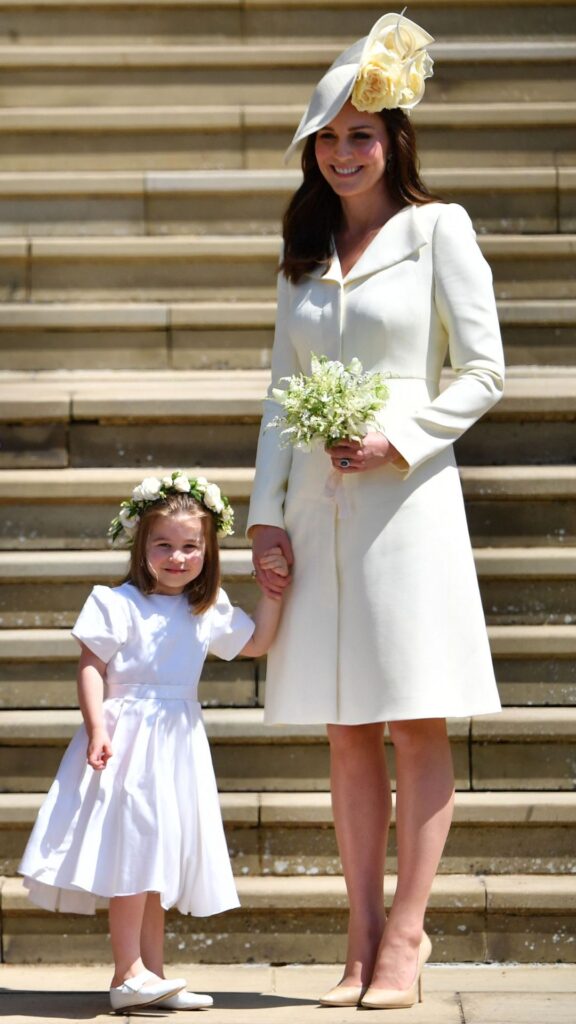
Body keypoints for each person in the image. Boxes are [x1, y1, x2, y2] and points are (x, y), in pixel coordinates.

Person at [248, 12, 505, 1011]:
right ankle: (357, 936)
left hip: (409, 510)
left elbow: (485, 368)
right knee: (344, 725)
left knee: (412, 715)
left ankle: (407, 936)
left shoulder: (442, 229)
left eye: (363, 132)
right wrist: (265, 516)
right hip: (319, 513)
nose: (345, 150)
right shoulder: (304, 251)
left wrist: (406, 434)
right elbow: (280, 395)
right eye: (330, 135)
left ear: (396, 138)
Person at [19, 472, 288, 1014]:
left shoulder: (204, 608)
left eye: (190, 546)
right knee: (133, 855)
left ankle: (152, 974)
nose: (177, 556)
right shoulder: (116, 603)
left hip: (176, 743)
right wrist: (96, 727)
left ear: (207, 550)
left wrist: (273, 594)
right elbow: (92, 666)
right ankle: (127, 974)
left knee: (156, 859)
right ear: (141, 545)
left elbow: (256, 641)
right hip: (126, 740)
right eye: (163, 544)